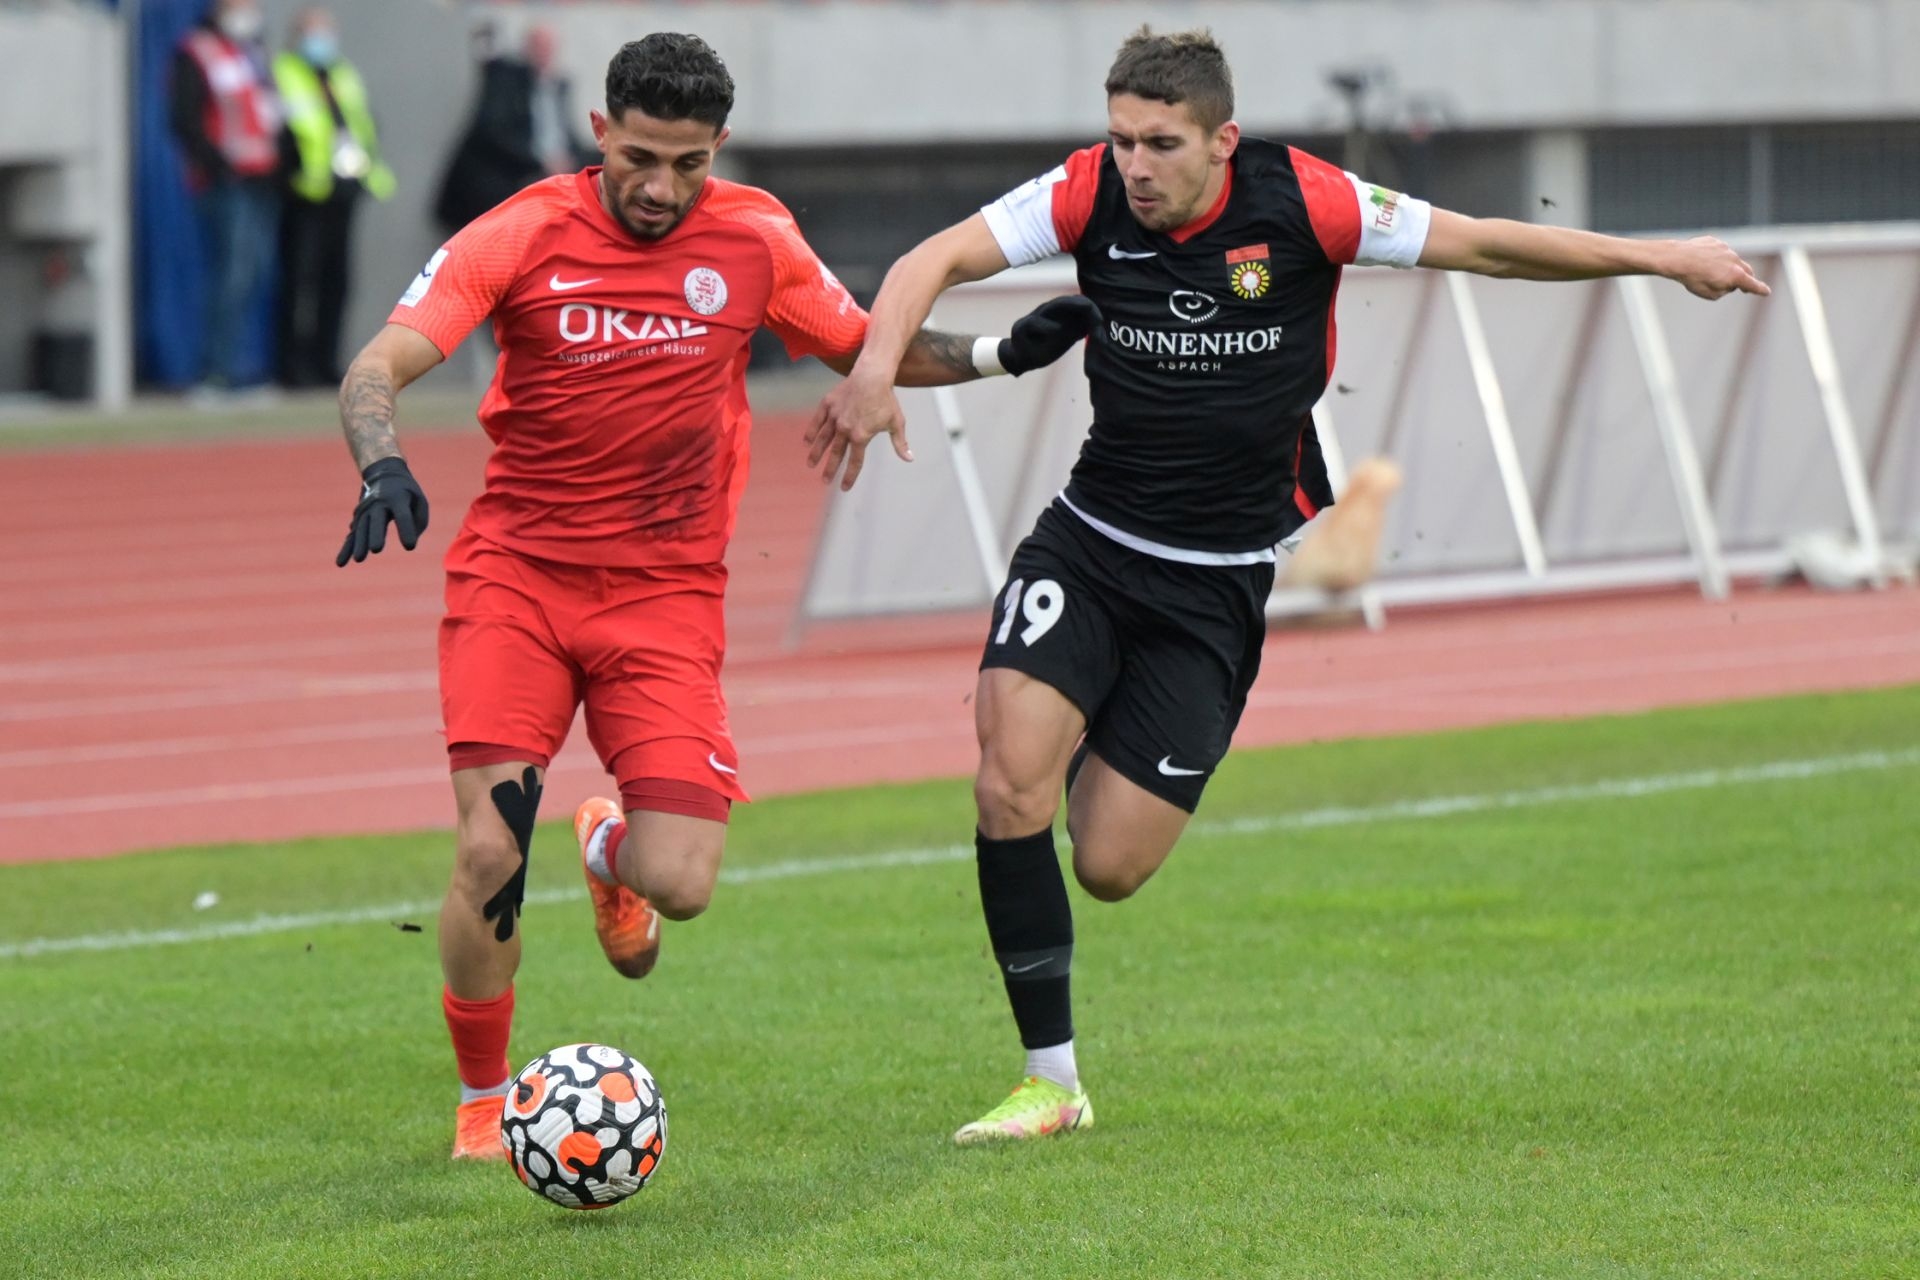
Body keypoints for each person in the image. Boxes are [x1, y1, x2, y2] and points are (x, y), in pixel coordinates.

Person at [806, 25, 1768, 1144]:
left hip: (1216, 585)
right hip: (1090, 544)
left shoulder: (1309, 200)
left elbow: (1490, 246)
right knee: (1006, 787)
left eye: (1160, 144)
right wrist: (875, 371)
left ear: (1224, 140)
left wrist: (1663, 258)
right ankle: (1051, 1080)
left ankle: (1086, 719)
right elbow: (931, 260)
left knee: (1108, 863)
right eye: (1121, 141)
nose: (1134, 167)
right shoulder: (1083, 192)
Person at [331, 32, 1094, 1161]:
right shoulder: (521, 232)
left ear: (719, 147)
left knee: (681, 884)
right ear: (599, 132)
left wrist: (1001, 353)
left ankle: (609, 853)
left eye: (688, 164)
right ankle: (483, 1104)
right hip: (518, 581)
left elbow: (862, 346)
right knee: (490, 852)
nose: (660, 186)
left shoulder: (754, 237)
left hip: (666, 598)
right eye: (639, 158)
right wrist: (382, 462)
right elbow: (377, 365)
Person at [272, 7, 396, 388]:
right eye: (315, 33)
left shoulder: (343, 73)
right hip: (304, 193)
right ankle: (292, 366)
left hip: (344, 189)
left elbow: (364, 122)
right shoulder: (283, 73)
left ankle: (327, 361)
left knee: (337, 281)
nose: (322, 42)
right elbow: (281, 131)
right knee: (299, 281)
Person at [170, 0, 283, 395]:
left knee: (256, 274)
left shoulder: (253, 52)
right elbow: (184, 118)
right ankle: (215, 373)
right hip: (226, 184)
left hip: (262, 180)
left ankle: (242, 368)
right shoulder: (197, 50)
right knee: (230, 277)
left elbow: (270, 112)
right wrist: (218, 165)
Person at [433, 25, 594, 238]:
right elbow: (493, 132)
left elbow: (567, 135)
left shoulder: (558, 86)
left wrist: (568, 160)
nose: (543, 53)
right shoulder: (505, 78)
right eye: (538, 46)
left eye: (548, 47)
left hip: (553, 166)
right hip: (511, 172)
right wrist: (541, 162)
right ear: (526, 49)